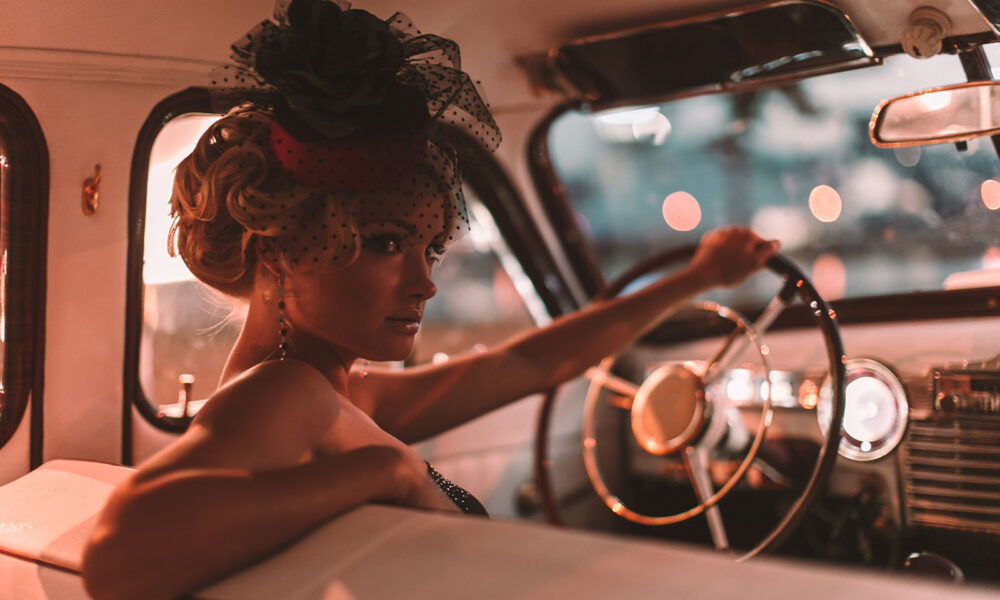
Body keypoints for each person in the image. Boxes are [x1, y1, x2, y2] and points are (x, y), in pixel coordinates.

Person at [81, 1, 779, 598]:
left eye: (430, 248)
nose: (426, 282)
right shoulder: (287, 392)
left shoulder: (340, 394)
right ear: (280, 250)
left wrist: (695, 279)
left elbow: (530, 366)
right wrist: (384, 471)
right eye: (386, 243)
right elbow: (120, 552)